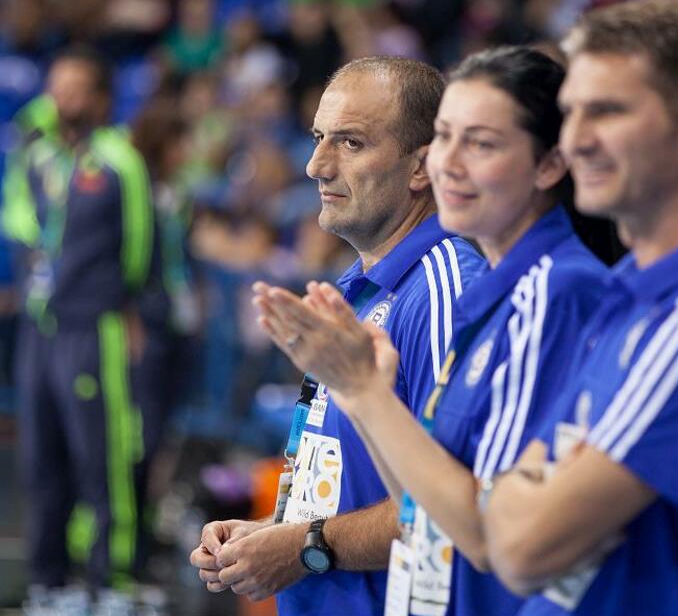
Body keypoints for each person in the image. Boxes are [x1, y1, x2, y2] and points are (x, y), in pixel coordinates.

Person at [252, 45, 610, 616]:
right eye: (446, 138)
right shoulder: (473, 294)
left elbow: (482, 532)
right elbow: (424, 504)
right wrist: (274, 531)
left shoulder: (541, 290)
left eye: (482, 143)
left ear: (550, 164)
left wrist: (307, 546)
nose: (450, 164)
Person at [477, 0, 678, 616]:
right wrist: (532, 495)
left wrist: (542, 493)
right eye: (571, 112)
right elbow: (501, 512)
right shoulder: (626, 289)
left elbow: (520, 547)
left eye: (607, 111)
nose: (575, 140)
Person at [189, 56, 485, 616]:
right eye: (319, 138)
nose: (316, 166)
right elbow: (360, 486)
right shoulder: (362, 287)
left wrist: (306, 548)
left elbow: (451, 511)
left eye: (350, 143)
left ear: (422, 166)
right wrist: (271, 532)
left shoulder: (447, 290)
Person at [2, 47, 157, 594]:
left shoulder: (120, 161)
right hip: (40, 327)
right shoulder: (39, 158)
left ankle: (108, 579)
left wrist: (120, 299)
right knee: (40, 455)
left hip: (95, 325)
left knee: (101, 454)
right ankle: (48, 581)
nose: (61, 97)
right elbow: (15, 213)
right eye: (55, 86)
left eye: (74, 88)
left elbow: (139, 245)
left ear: (100, 99)